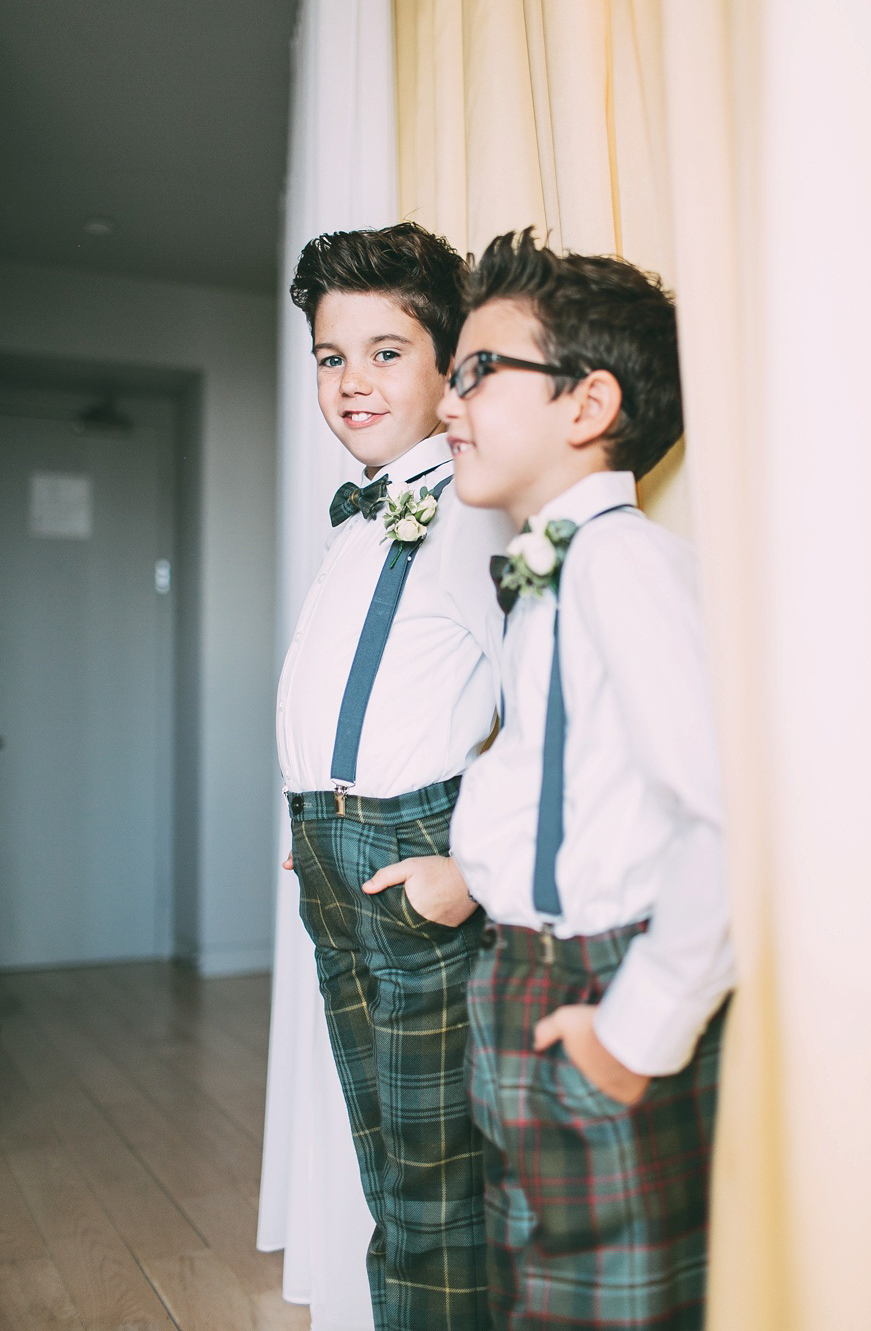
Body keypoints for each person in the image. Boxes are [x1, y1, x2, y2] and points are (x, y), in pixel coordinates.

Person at [440, 229, 735, 1329]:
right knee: (538, 1289)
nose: (446, 405)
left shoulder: (622, 563)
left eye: (477, 372)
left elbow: (729, 819)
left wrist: (636, 1027)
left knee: (608, 1305)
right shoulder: (556, 574)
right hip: (522, 978)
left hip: (593, 986)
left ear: (587, 403)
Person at [277, 223, 509, 1331]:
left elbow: (541, 698)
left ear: (448, 364)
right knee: (387, 1160)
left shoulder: (464, 507)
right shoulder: (366, 515)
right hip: (336, 854)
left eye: (385, 351)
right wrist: (317, 807)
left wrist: (466, 864)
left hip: (413, 863)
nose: (353, 381)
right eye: (331, 356)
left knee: (436, 1183)